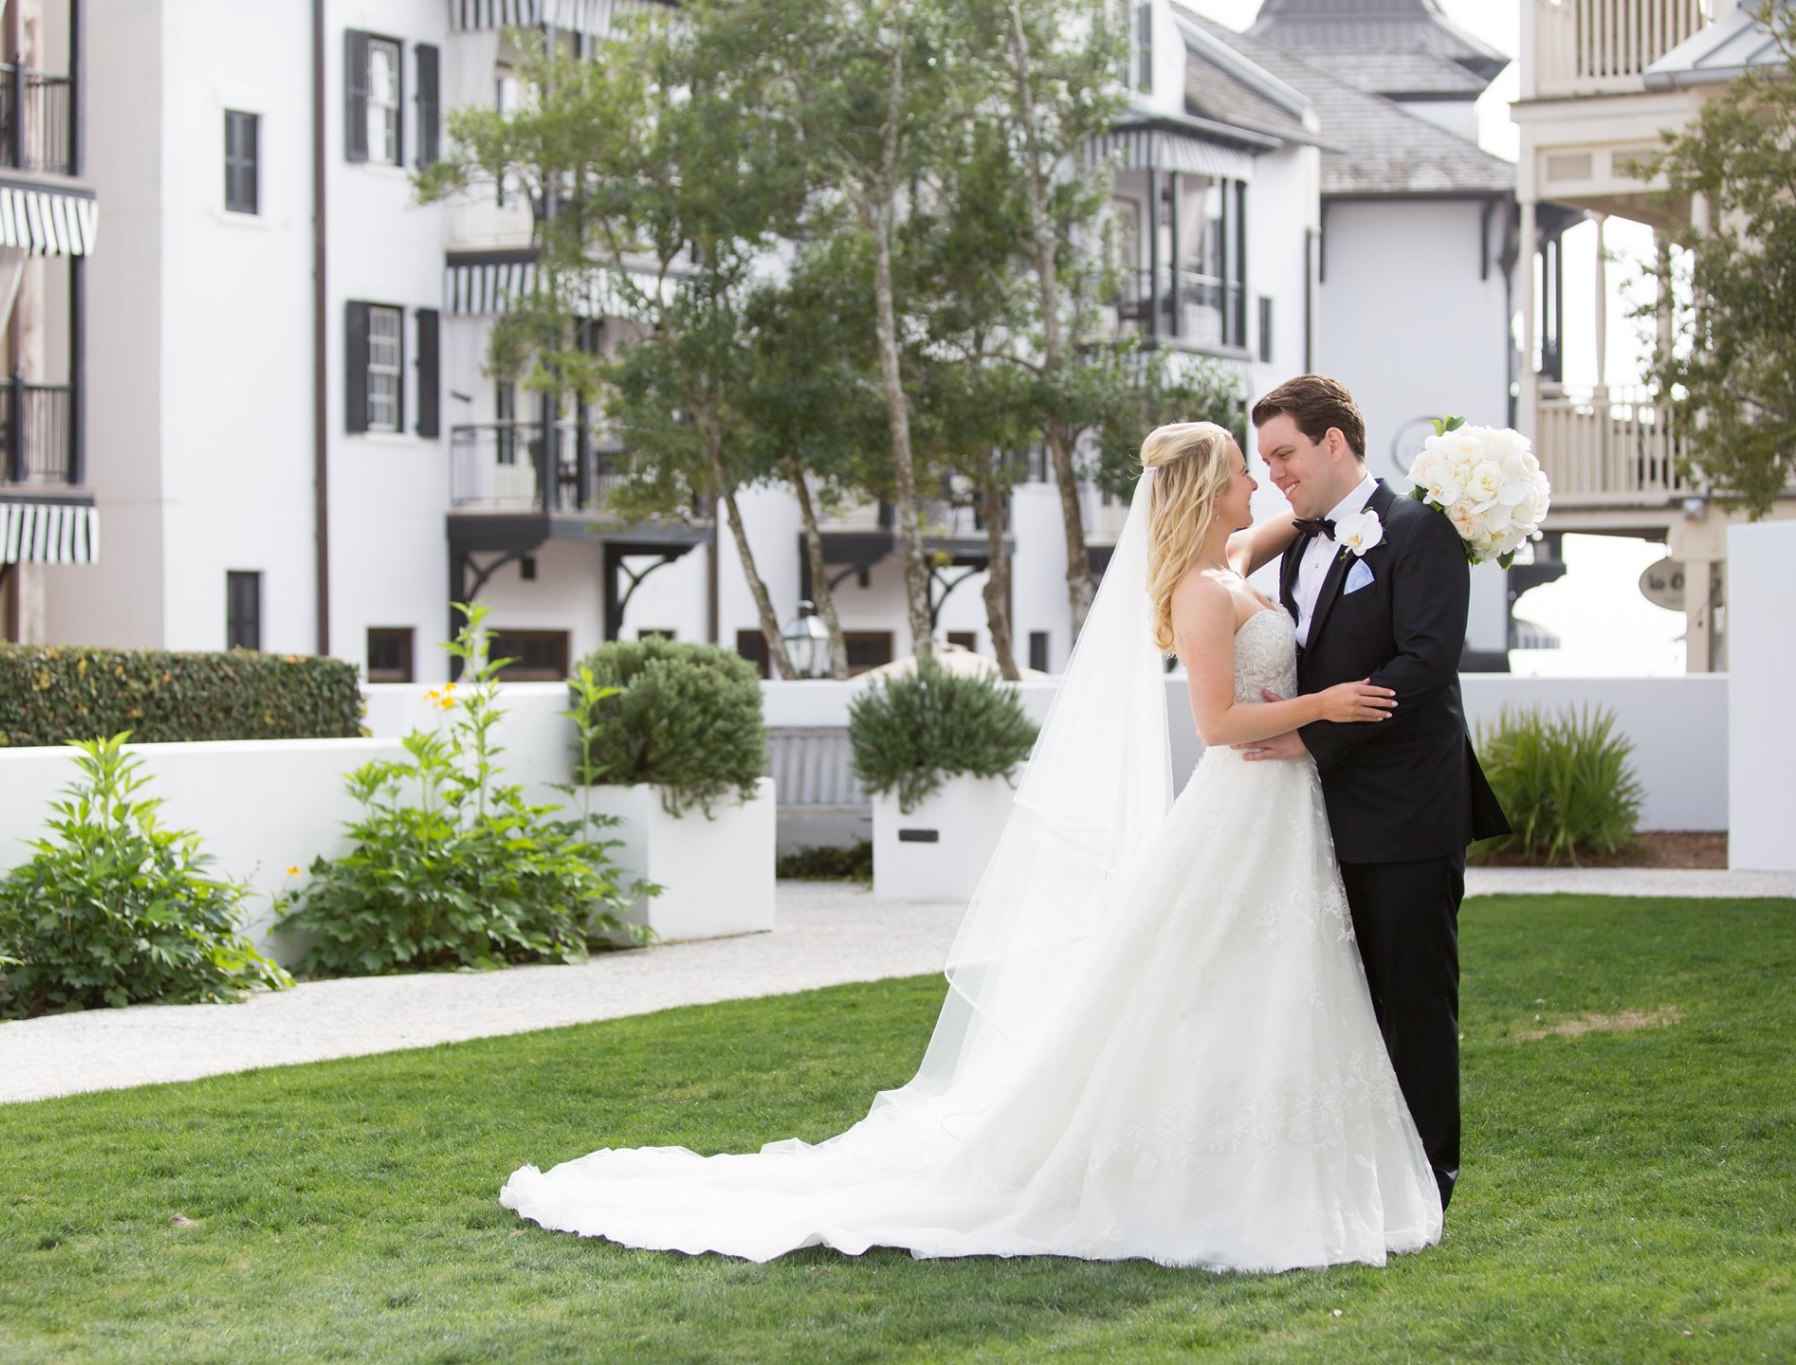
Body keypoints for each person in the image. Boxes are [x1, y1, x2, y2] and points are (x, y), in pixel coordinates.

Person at [499, 421, 1444, 1273]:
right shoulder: (1203, 590)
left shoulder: (1231, 558)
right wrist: (1321, 705)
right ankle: (1199, 1168)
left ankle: (1274, 1161)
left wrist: (1395, 510)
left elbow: (1300, 528)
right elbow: (1215, 719)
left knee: (1267, 986)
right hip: (1242, 804)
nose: (1260, 483)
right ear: (1209, 490)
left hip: (1281, 815)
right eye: (1244, 471)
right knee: (1209, 984)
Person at [1237, 375, 1511, 1212]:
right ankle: (1363, 1173)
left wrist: (1312, 734)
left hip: (1408, 814)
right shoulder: (1296, 542)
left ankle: (1430, 1182)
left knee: (1414, 1006)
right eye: (1266, 459)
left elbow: (1424, 665)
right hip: (1323, 817)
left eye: (1284, 453)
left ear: (1333, 442)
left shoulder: (1421, 531)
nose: (1276, 473)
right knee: (1347, 1010)